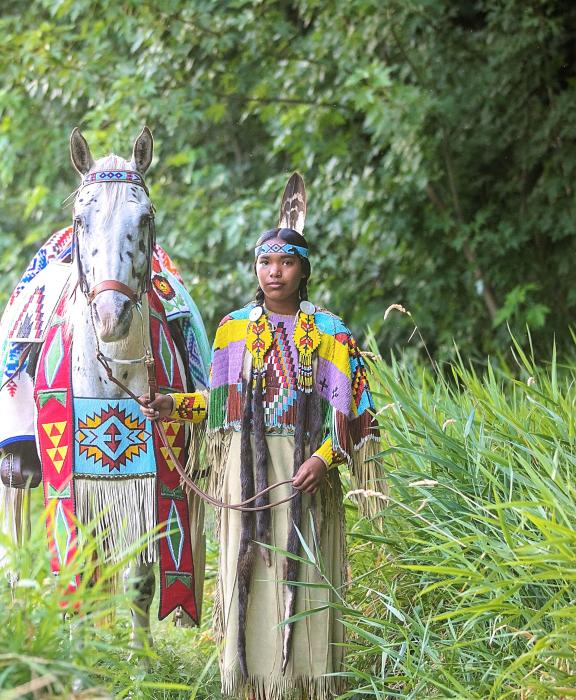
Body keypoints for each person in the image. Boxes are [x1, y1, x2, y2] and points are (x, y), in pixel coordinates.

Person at [142, 174, 383, 699]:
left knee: (304, 573)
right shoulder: (232, 330)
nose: (275, 273)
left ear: (304, 270)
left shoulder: (331, 333)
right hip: (244, 477)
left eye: (287, 262)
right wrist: (172, 406)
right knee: (246, 570)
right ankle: (250, 684)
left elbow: (354, 416)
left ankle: (305, 685)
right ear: (256, 268)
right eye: (266, 263)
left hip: (303, 474)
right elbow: (216, 406)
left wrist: (323, 459)